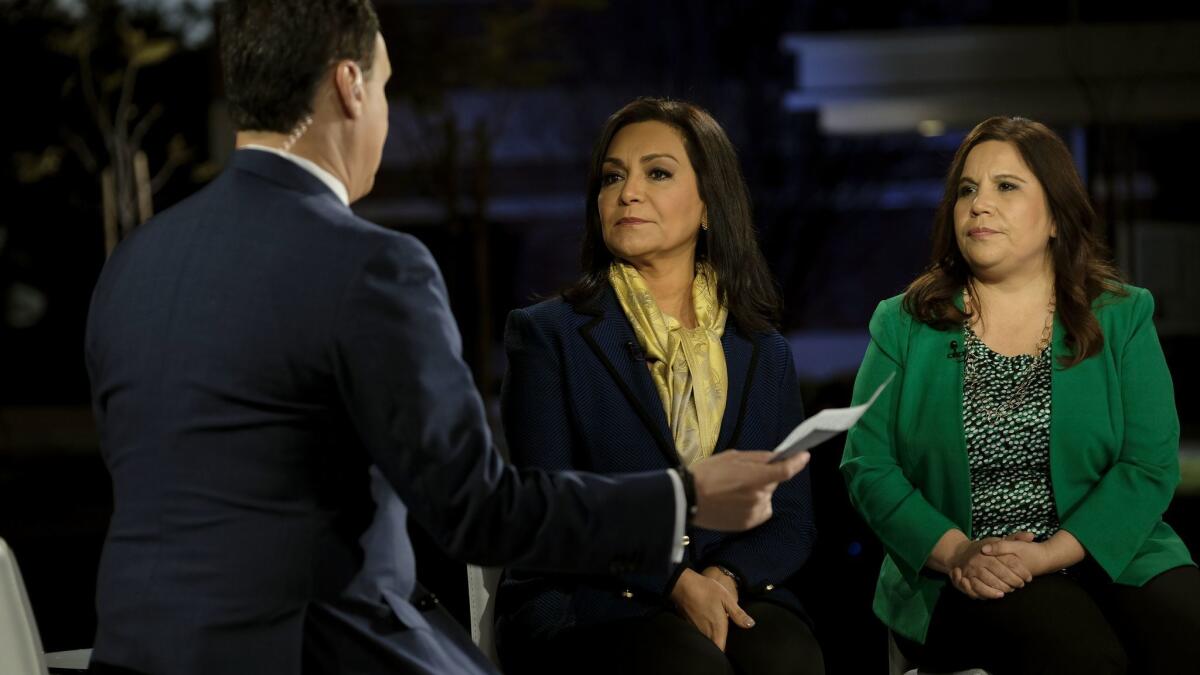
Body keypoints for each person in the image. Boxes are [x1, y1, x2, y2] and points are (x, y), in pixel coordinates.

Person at [82, 4, 812, 674]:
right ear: (349, 86)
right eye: (388, 87)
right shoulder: (375, 266)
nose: (387, 115)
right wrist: (683, 498)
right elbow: (476, 511)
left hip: (134, 652)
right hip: (315, 647)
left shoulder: (132, 264)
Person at [841, 115, 1200, 675]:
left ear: (1056, 215)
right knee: (1087, 660)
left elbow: (1148, 464)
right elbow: (869, 465)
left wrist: (1053, 554)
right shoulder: (903, 322)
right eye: (967, 190)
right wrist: (957, 551)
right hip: (972, 567)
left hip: (1111, 551)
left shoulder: (1123, 314)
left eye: (1006, 186)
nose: (979, 204)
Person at [494, 98, 824, 675]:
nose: (628, 192)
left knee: (787, 658)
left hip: (731, 585)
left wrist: (722, 577)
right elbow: (550, 505)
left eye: (658, 173)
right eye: (613, 177)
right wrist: (672, 581)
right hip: (590, 599)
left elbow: (792, 518)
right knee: (687, 666)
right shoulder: (548, 337)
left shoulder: (764, 351)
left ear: (708, 205)